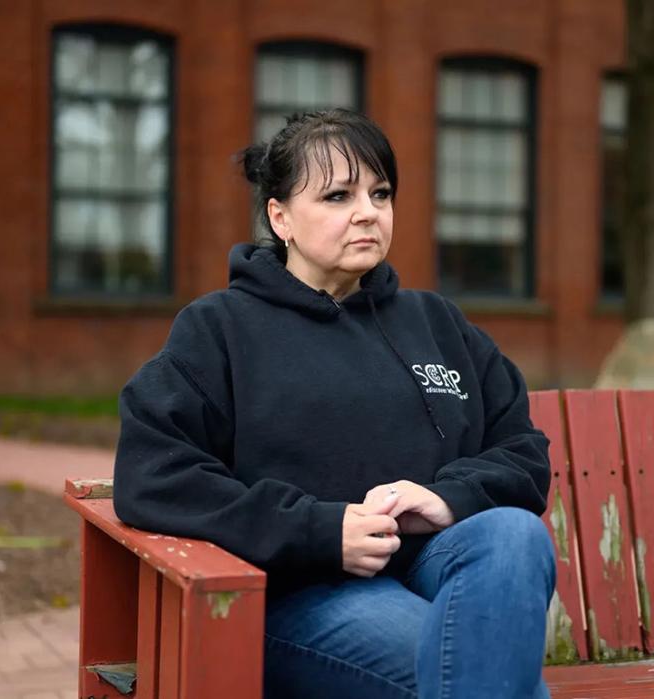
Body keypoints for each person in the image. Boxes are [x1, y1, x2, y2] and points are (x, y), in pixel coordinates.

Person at [113, 109, 556, 698]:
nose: (367, 211)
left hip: (439, 567)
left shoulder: (437, 324)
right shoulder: (220, 330)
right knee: (481, 671)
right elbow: (154, 475)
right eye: (337, 195)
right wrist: (320, 530)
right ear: (280, 217)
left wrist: (449, 498)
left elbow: (522, 450)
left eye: (380, 193)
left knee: (514, 536)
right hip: (309, 592)